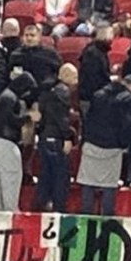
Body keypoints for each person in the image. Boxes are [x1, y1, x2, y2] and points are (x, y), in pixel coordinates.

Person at [77, 75, 131, 215]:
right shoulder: (129, 100)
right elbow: (128, 125)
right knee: (109, 186)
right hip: (113, 148)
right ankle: (107, 221)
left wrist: (85, 140)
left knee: (88, 183)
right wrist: (123, 144)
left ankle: (85, 220)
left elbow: (88, 119)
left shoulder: (98, 95)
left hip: (92, 144)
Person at [0, 71, 39, 212]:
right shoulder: (10, 98)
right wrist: (28, 117)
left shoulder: (5, 96)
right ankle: (11, 210)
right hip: (6, 142)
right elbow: (11, 120)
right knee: (11, 177)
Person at [34, 63, 78, 212]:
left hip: (45, 138)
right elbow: (61, 117)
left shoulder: (47, 91)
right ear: (65, 76)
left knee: (45, 175)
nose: (77, 81)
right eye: (74, 77)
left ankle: (40, 207)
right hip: (56, 139)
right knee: (60, 177)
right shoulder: (62, 92)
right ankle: (59, 209)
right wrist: (67, 137)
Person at [78, 24, 113, 119]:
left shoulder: (100, 51)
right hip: (91, 97)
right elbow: (92, 77)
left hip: (96, 95)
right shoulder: (93, 53)